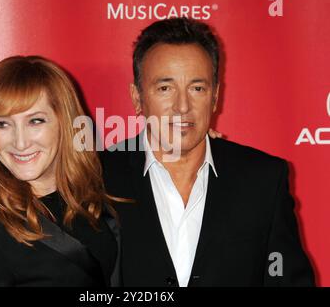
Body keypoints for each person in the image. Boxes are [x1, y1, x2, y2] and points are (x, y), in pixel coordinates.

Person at [101, 18, 315, 286]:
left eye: (197, 88)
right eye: (165, 88)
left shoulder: (262, 179)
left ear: (214, 97)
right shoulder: (96, 177)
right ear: (137, 97)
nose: (182, 106)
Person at [0, 56, 120, 287]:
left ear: (65, 122)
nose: (20, 142)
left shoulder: (97, 190)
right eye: (2, 124)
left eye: (35, 121)